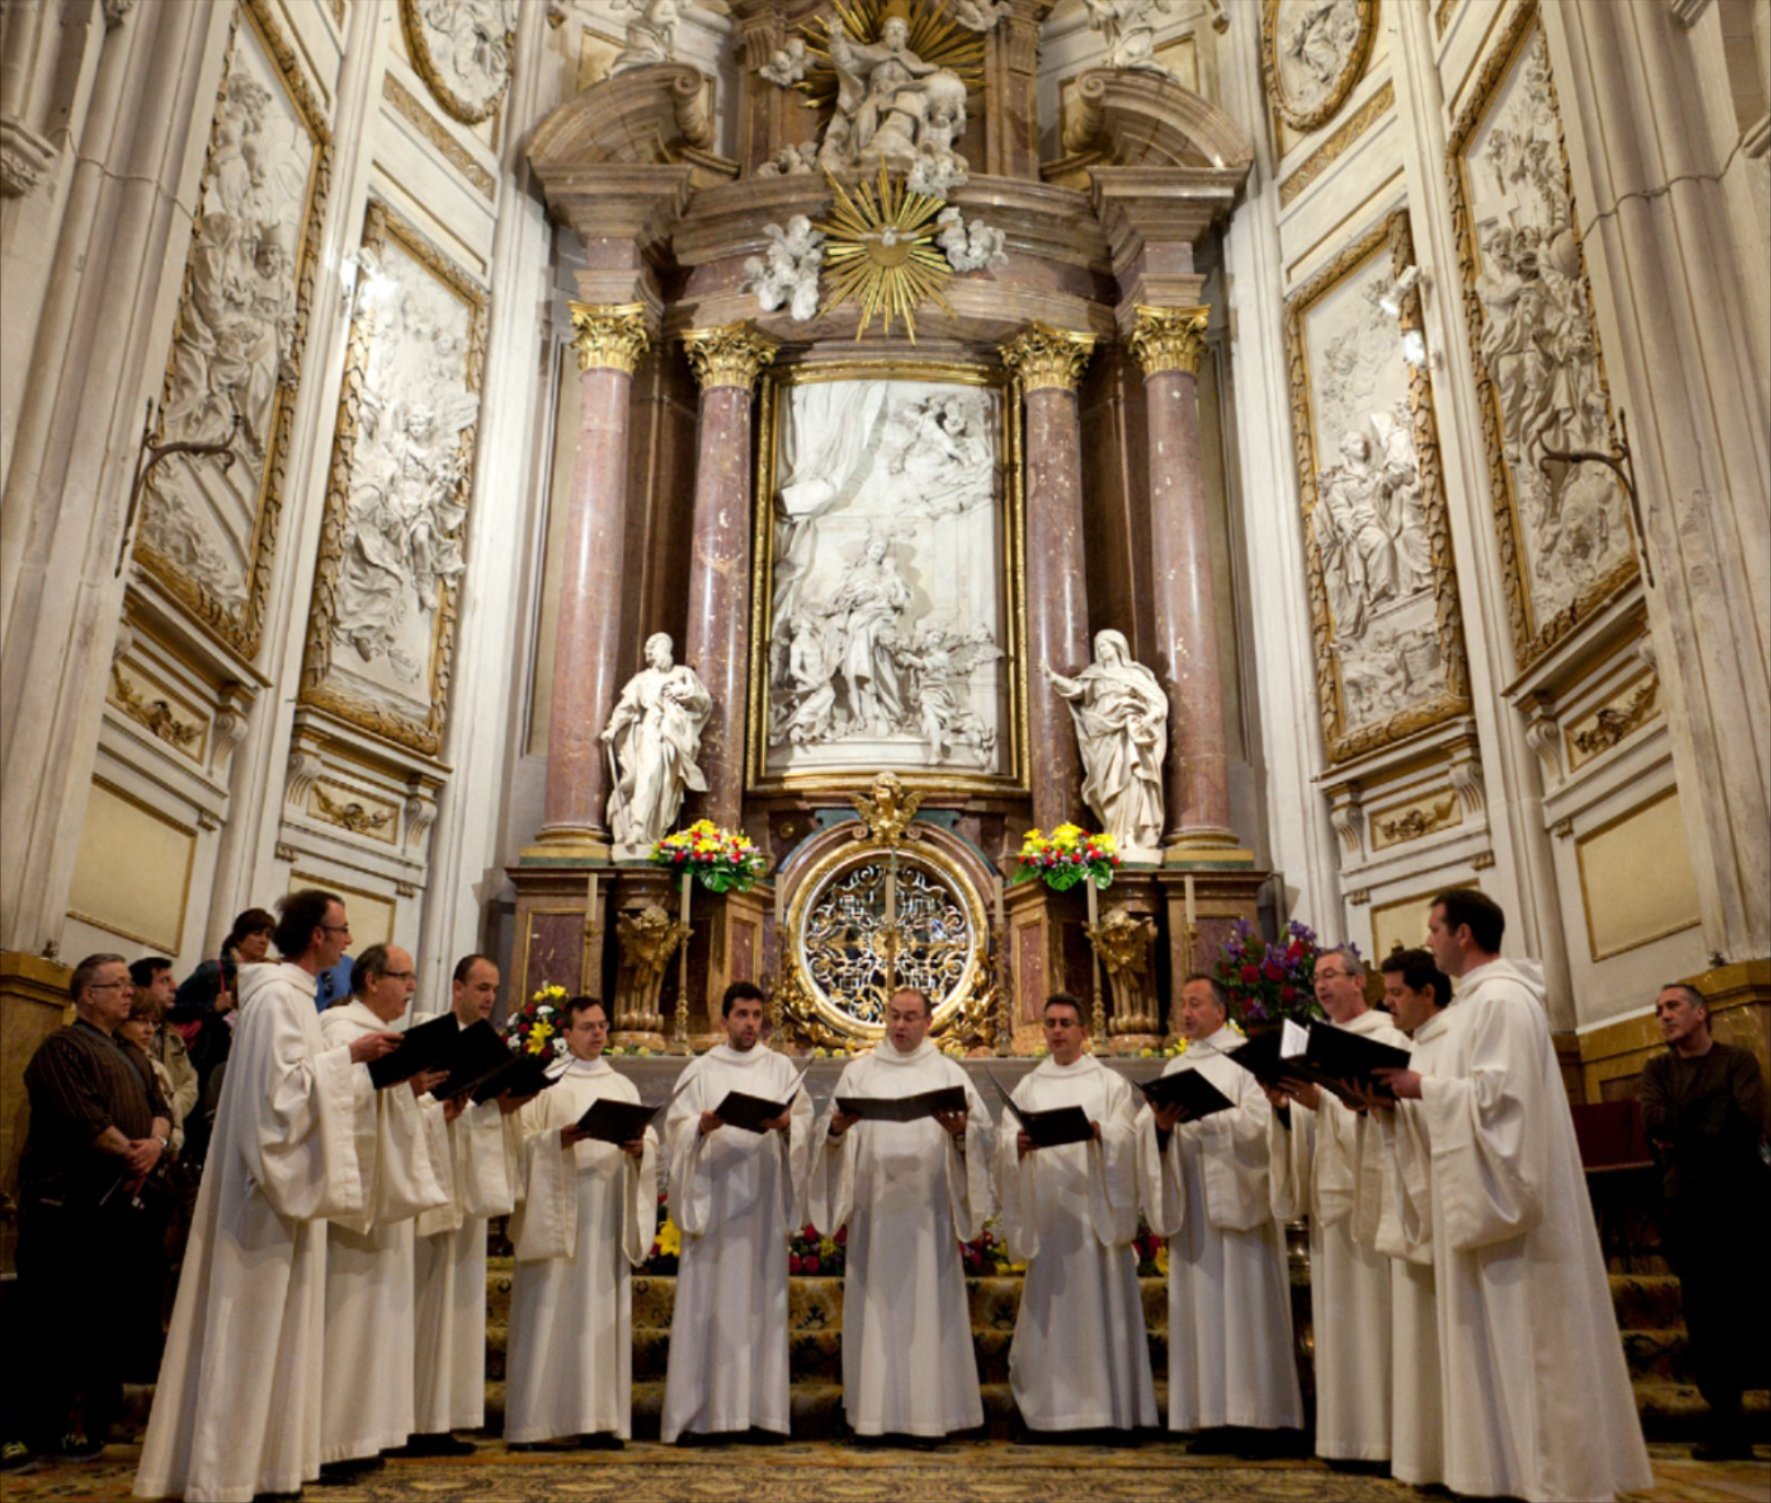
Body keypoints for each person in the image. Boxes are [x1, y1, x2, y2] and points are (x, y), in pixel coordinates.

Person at [1370, 890, 1651, 1502]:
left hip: (1516, 1214)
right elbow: (1477, 1095)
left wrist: (1424, 1088)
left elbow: (1504, 1103)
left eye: (1434, 929)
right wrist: (1401, 1103)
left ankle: (1552, 1478)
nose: (1430, 941)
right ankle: (1506, 1472)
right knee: (1497, 1342)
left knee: (1534, 1346)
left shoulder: (1499, 1000)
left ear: (1463, 933)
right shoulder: (1477, 1003)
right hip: (1484, 1198)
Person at [135, 890, 401, 1503]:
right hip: (261, 1201)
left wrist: (345, 1065)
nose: (346, 941)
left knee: (274, 1336)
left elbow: (295, 1087)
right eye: (341, 930)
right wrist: (350, 1058)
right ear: (316, 936)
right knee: (248, 1334)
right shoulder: (279, 1001)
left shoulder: (293, 1000)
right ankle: (226, 1474)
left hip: (280, 1196)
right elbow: (278, 1100)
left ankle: (265, 1468)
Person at [810, 986, 993, 1442]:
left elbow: (983, 1138)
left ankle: (928, 1417)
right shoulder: (859, 1074)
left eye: (911, 1017)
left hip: (926, 1219)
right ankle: (872, 1417)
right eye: (894, 1015)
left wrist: (960, 1134)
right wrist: (835, 1131)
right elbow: (827, 1138)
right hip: (875, 1216)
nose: (900, 1025)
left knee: (926, 1309)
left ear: (929, 1023)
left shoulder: (949, 1074)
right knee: (875, 1311)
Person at [1137, 975, 1303, 1450]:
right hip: (1194, 1210)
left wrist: (1208, 1117)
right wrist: (1163, 1128)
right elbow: (1144, 1131)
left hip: (1241, 1205)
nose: (1186, 1013)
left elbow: (1262, 1121)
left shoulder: (1245, 1059)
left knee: (1246, 1311)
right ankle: (1211, 1417)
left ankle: (1260, 1419)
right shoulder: (1176, 1067)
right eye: (1182, 1004)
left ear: (1218, 1010)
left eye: (1195, 1004)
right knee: (1202, 1314)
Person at [17, 954, 171, 1463]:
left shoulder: (128, 1052)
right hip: (66, 1207)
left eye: (130, 984)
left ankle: (88, 1420)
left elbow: (161, 1109)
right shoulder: (62, 1046)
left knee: (101, 1323)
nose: (130, 993)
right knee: (51, 1323)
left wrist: (155, 1143)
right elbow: (79, 1116)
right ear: (87, 995)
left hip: (117, 1210)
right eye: (119, 985)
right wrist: (133, 1151)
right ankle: (33, 1429)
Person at [1264, 946, 1407, 1469]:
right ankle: (1347, 1439)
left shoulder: (1388, 1038)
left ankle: (1391, 1437)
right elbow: (1315, 1122)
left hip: (1373, 1198)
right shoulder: (1311, 1045)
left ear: (1358, 982)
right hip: (1331, 1200)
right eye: (1316, 977)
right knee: (1341, 1319)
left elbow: (1391, 1119)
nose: (1321, 986)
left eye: (1330, 975)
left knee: (1378, 1318)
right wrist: (1286, 1108)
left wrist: (1324, 1102)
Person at [315, 945, 451, 1483]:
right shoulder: (339, 1027)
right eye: (404, 977)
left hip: (387, 1201)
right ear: (371, 979)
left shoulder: (382, 1032)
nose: (412, 986)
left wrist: (417, 1091)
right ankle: (329, 1438)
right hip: (354, 1203)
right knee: (344, 1318)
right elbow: (322, 1094)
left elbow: (387, 1101)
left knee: (379, 1321)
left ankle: (364, 1434)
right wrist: (377, 1076)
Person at [993, 993, 1156, 1437]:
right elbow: (1005, 1142)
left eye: (1066, 1022)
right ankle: (1052, 1411)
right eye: (1051, 1023)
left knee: (1099, 1309)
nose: (1058, 1031)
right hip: (1050, 1220)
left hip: (1093, 1217)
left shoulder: (1109, 1084)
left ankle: (1106, 1410)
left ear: (1083, 1032)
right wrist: (1016, 1147)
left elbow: (1130, 1136)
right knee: (1053, 1316)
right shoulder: (1030, 1086)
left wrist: (1104, 1134)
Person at [661, 981, 814, 1445]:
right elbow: (676, 1127)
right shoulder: (701, 1069)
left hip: (761, 1206)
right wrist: (700, 1127)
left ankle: (761, 1414)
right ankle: (700, 1416)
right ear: (724, 1018)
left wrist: (790, 1127)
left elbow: (805, 1125)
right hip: (716, 1203)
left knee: (760, 1304)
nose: (750, 1023)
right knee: (709, 1303)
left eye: (756, 1015)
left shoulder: (781, 1069)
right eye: (742, 1014)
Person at [505, 996, 658, 1449]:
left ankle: (598, 1419)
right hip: (556, 1215)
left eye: (602, 1025)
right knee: (549, 1308)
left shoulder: (624, 1086)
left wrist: (640, 1152)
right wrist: (557, 1141)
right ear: (567, 1034)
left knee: (598, 1314)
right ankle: (535, 1424)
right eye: (587, 1026)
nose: (597, 1034)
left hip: (604, 1217)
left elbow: (647, 1143)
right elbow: (519, 1143)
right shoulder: (544, 1085)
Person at [403, 955, 528, 1457]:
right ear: (456, 987)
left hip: (466, 1186)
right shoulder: (425, 1035)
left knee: (459, 1304)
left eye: (495, 989)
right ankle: (408, 1417)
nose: (488, 998)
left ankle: (443, 1418)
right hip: (428, 1187)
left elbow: (485, 1112)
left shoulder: (491, 1047)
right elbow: (403, 1105)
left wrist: (505, 1102)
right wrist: (442, 1109)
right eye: (480, 987)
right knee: (422, 1300)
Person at [1640, 982, 1768, 1461]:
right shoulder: (1657, 1069)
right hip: (1687, 1207)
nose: (1664, 1016)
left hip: (1741, 1202)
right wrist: (1708, 1118)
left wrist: (1686, 1128)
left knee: (1750, 1309)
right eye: (1658, 1010)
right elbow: (1654, 1122)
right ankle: (1727, 1425)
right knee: (1706, 1317)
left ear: (1701, 1012)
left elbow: (1746, 1122)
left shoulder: (1738, 1061)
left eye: (1673, 1006)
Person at [1364, 946, 1451, 1489]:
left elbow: (1475, 1107)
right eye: (1388, 993)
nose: (1389, 1003)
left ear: (1427, 993)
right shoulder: (1419, 1047)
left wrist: (1415, 1094)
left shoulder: (1452, 1038)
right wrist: (1380, 1106)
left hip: (1449, 1207)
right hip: (1420, 1202)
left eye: (1396, 993)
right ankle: (1432, 1454)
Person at [131, 958, 198, 1142]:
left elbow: (191, 1082)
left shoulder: (172, 1036)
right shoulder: (129, 1032)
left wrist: (170, 1104)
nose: (175, 987)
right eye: (164, 981)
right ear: (142, 988)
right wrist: (170, 1103)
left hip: (169, 1136)